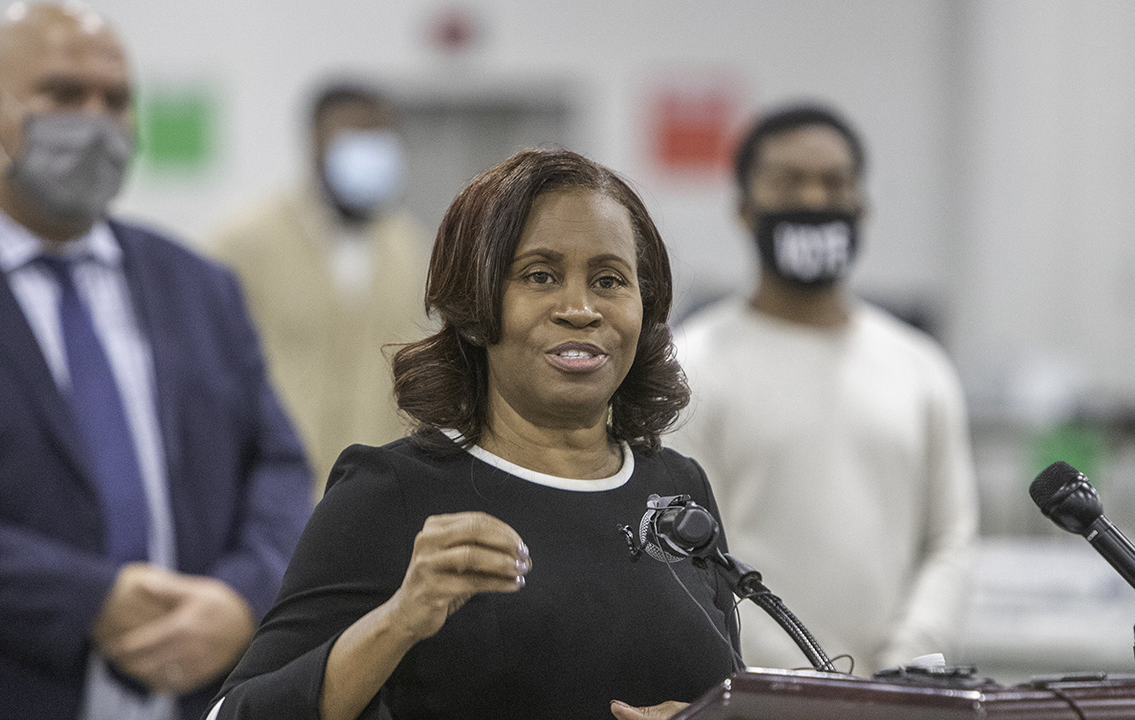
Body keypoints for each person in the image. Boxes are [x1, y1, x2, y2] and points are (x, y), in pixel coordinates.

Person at [0, 4, 313, 719]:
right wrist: (91, 600)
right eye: (64, 95)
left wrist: (243, 597)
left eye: (117, 100)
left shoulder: (199, 285)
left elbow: (278, 462)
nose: (96, 121)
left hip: (199, 691)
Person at [203, 149, 741, 720]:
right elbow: (233, 714)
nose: (581, 309)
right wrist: (398, 620)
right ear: (476, 302)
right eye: (541, 276)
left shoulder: (678, 488)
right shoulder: (393, 493)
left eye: (610, 280)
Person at [665, 103, 979, 672]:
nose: (814, 200)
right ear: (744, 208)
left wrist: (902, 667)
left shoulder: (920, 367)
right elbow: (692, 554)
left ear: (861, 205)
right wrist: (805, 683)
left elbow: (949, 541)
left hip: (899, 699)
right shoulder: (692, 368)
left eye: (833, 183)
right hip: (754, 696)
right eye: (789, 182)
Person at [208, 83, 426, 494]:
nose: (368, 155)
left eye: (378, 139)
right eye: (352, 139)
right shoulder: (245, 241)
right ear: (315, 143)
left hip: (377, 490)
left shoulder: (405, 246)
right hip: (273, 489)